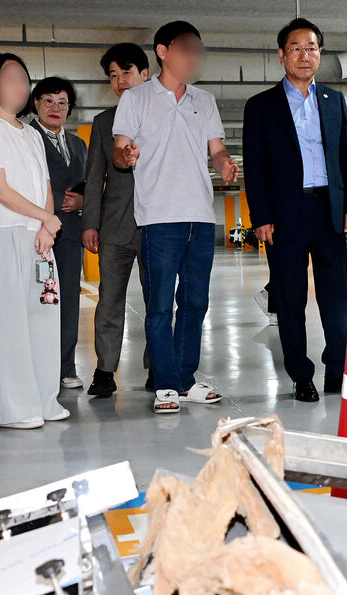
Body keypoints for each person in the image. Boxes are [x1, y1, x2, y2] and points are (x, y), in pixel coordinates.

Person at [112, 21, 239, 414]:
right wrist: (126, 156)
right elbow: (119, 150)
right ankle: (165, 385)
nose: (193, 57)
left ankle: (185, 380)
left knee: (196, 302)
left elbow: (215, 149)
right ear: (163, 52)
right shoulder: (136, 99)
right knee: (160, 306)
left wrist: (224, 163)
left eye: (197, 50)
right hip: (159, 218)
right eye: (185, 49)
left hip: (200, 216)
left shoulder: (205, 100)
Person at [243, 18, 347, 402]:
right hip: (284, 217)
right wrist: (261, 217)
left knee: (335, 298)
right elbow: (255, 166)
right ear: (282, 55)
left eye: (311, 48)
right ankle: (301, 374)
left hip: (329, 211)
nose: (304, 55)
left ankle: (337, 369)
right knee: (290, 299)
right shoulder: (261, 106)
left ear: (320, 54)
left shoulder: (334, 100)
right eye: (296, 48)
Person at [0, 53, 70, 428]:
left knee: (43, 316)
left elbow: (45, 187)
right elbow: (0, 190)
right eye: (10, 79)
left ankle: (44, 399)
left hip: (39, 239)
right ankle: (13, 409)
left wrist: (46, 227)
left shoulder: (33, 135)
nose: (20, 86)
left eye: (24, 79)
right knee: (8, 324)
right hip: (5, 233)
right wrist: (46, 218)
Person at [82, 43, 151, 397]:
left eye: (126, 72)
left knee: (158, 300)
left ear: (145, 74)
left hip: (157, 225)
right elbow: (94, 178)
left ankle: (159, 365)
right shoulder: (103, 122)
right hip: (115, 226)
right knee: (109, 299)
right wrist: (90, 224)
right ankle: (105, 370)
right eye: (113, 75)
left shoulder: (164, 115)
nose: (120, 80)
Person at [30, 76, 88, 390]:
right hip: (38, 233)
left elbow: (89, 183)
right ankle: (39, 366)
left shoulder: (78, 145)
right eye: (49, 101)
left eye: (63, 102)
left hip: (71, 233)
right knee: (39, 301)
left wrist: (82, 201)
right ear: (35, 103)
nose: (56, 107)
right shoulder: (26, 138)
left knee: (68, 302)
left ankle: (66, 366)